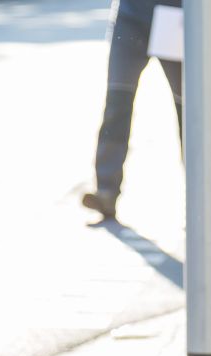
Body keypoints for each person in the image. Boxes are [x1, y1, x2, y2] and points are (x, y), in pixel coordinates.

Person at [82, 0, 183, 221]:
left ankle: (201, 195)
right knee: (117, 103)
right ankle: (106, 192)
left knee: (188, 109)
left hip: (175, 15)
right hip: (130, 18)